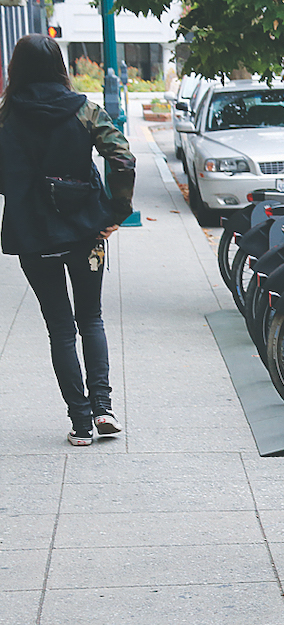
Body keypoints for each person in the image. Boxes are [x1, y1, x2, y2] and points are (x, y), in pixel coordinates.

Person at [0, 34, 135, 446]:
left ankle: (79, 423)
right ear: (60, 66)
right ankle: (103, 408)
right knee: (90, 318)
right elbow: (122, 158)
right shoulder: (85, 110)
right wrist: (117, 211)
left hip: (31, 235)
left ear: (15, 69)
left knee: (59, 326)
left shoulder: (5, 116)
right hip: (85, 228)